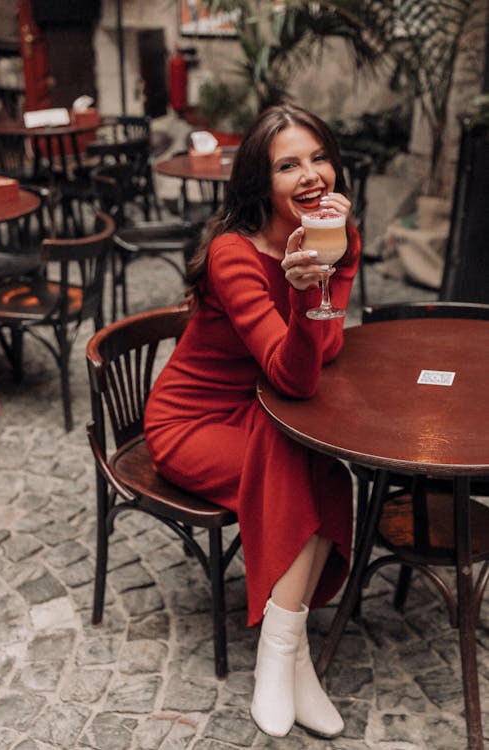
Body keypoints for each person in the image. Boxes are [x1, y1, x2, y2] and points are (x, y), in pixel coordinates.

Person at [144, 104, 361, 738]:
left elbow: (327, 353)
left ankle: (288, 655)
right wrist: (302, 290)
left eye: (319, 157)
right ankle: (281, 656)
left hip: (255, 409)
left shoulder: (324, 237)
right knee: (300, 458)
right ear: (258, 183)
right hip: (190, 421)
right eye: (288, 164)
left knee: (324, 465)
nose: (312, 174)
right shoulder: (233, 254)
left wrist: (335, 264)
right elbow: (294, 377)